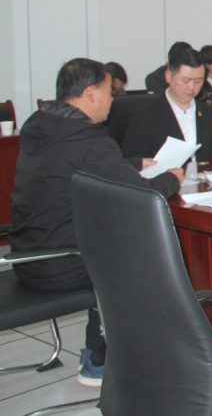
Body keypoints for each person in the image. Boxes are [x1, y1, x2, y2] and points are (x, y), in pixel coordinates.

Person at [9, 58, 182, 388]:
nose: (112, 99)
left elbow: (75, 165)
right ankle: (101, 360)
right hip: (62, 263)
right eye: (108, 91)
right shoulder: (88, 141)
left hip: (27, 256)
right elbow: (142, 195)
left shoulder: (42, 125)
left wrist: (133, 163)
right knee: (141, 249)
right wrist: (172, 178)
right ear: (90, 93)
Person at [122, 48, 212, 162]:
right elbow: (133, 164)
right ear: (168, 76)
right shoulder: (144, 116)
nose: (192, 87)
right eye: (185, 81)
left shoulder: (206, 111)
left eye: (198, 81)